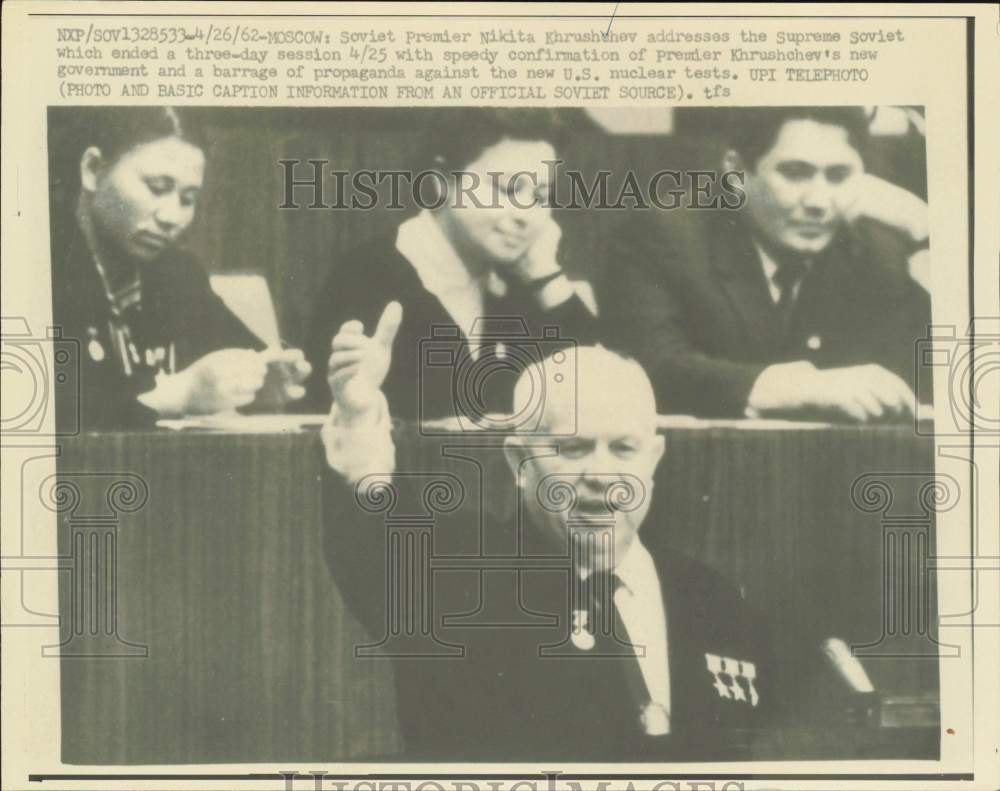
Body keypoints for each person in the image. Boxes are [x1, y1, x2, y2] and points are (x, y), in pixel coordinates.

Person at [320, 318, 787, 761]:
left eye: (623, 449)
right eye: (572, 448)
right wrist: (358, 422)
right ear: (520, 460)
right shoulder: (456, 579)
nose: (602, 476)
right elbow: (377, 539)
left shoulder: (710, 598)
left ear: (654, 458)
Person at [601, 106, 933, 421]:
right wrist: (800, 388)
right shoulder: (664, 235)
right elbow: (647, 369)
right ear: (735, 172)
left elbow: (935, 379)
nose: (818, 202)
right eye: (794, 173)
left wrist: (924, 235)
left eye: (838, 176)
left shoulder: (876, 248)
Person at [302, 108, 599, 422]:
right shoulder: (369, 276)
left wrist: (546, 277)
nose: (526, 214)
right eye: (509, 190)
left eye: (541, 196)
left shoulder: (519, 284)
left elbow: (594, 401)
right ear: (443, 182)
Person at [50, 107, 310, 432]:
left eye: (188, 199)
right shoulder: (34, 265)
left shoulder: (178, 273)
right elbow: (44, 417)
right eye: (157, 187)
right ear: (92, 169)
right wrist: (178, 394)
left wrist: (263, 384)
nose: (172, 217)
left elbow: (246, 353)